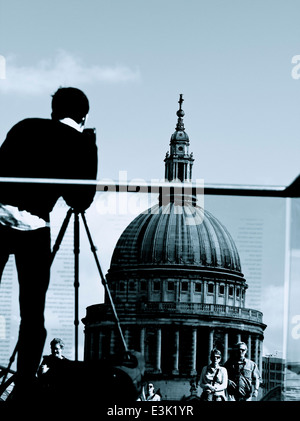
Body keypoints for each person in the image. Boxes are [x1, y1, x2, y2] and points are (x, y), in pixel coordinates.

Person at [0, 87, 98, 399]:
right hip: (34, 227)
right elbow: (80, 200)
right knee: (32, 313)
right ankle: (25, 384)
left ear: (54, 109)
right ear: (83, 116)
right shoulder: (79, 144)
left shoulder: (25, 126)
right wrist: (90, 147)